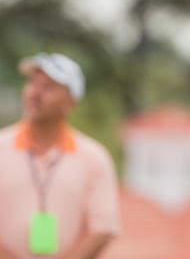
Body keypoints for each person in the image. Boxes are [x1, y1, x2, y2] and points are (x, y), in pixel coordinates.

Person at [0, 53, 120, 259]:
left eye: (48, 87)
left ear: (70, 102)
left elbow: (103, 229)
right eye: (32, 83)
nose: (34, 93)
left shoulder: (94, 157)